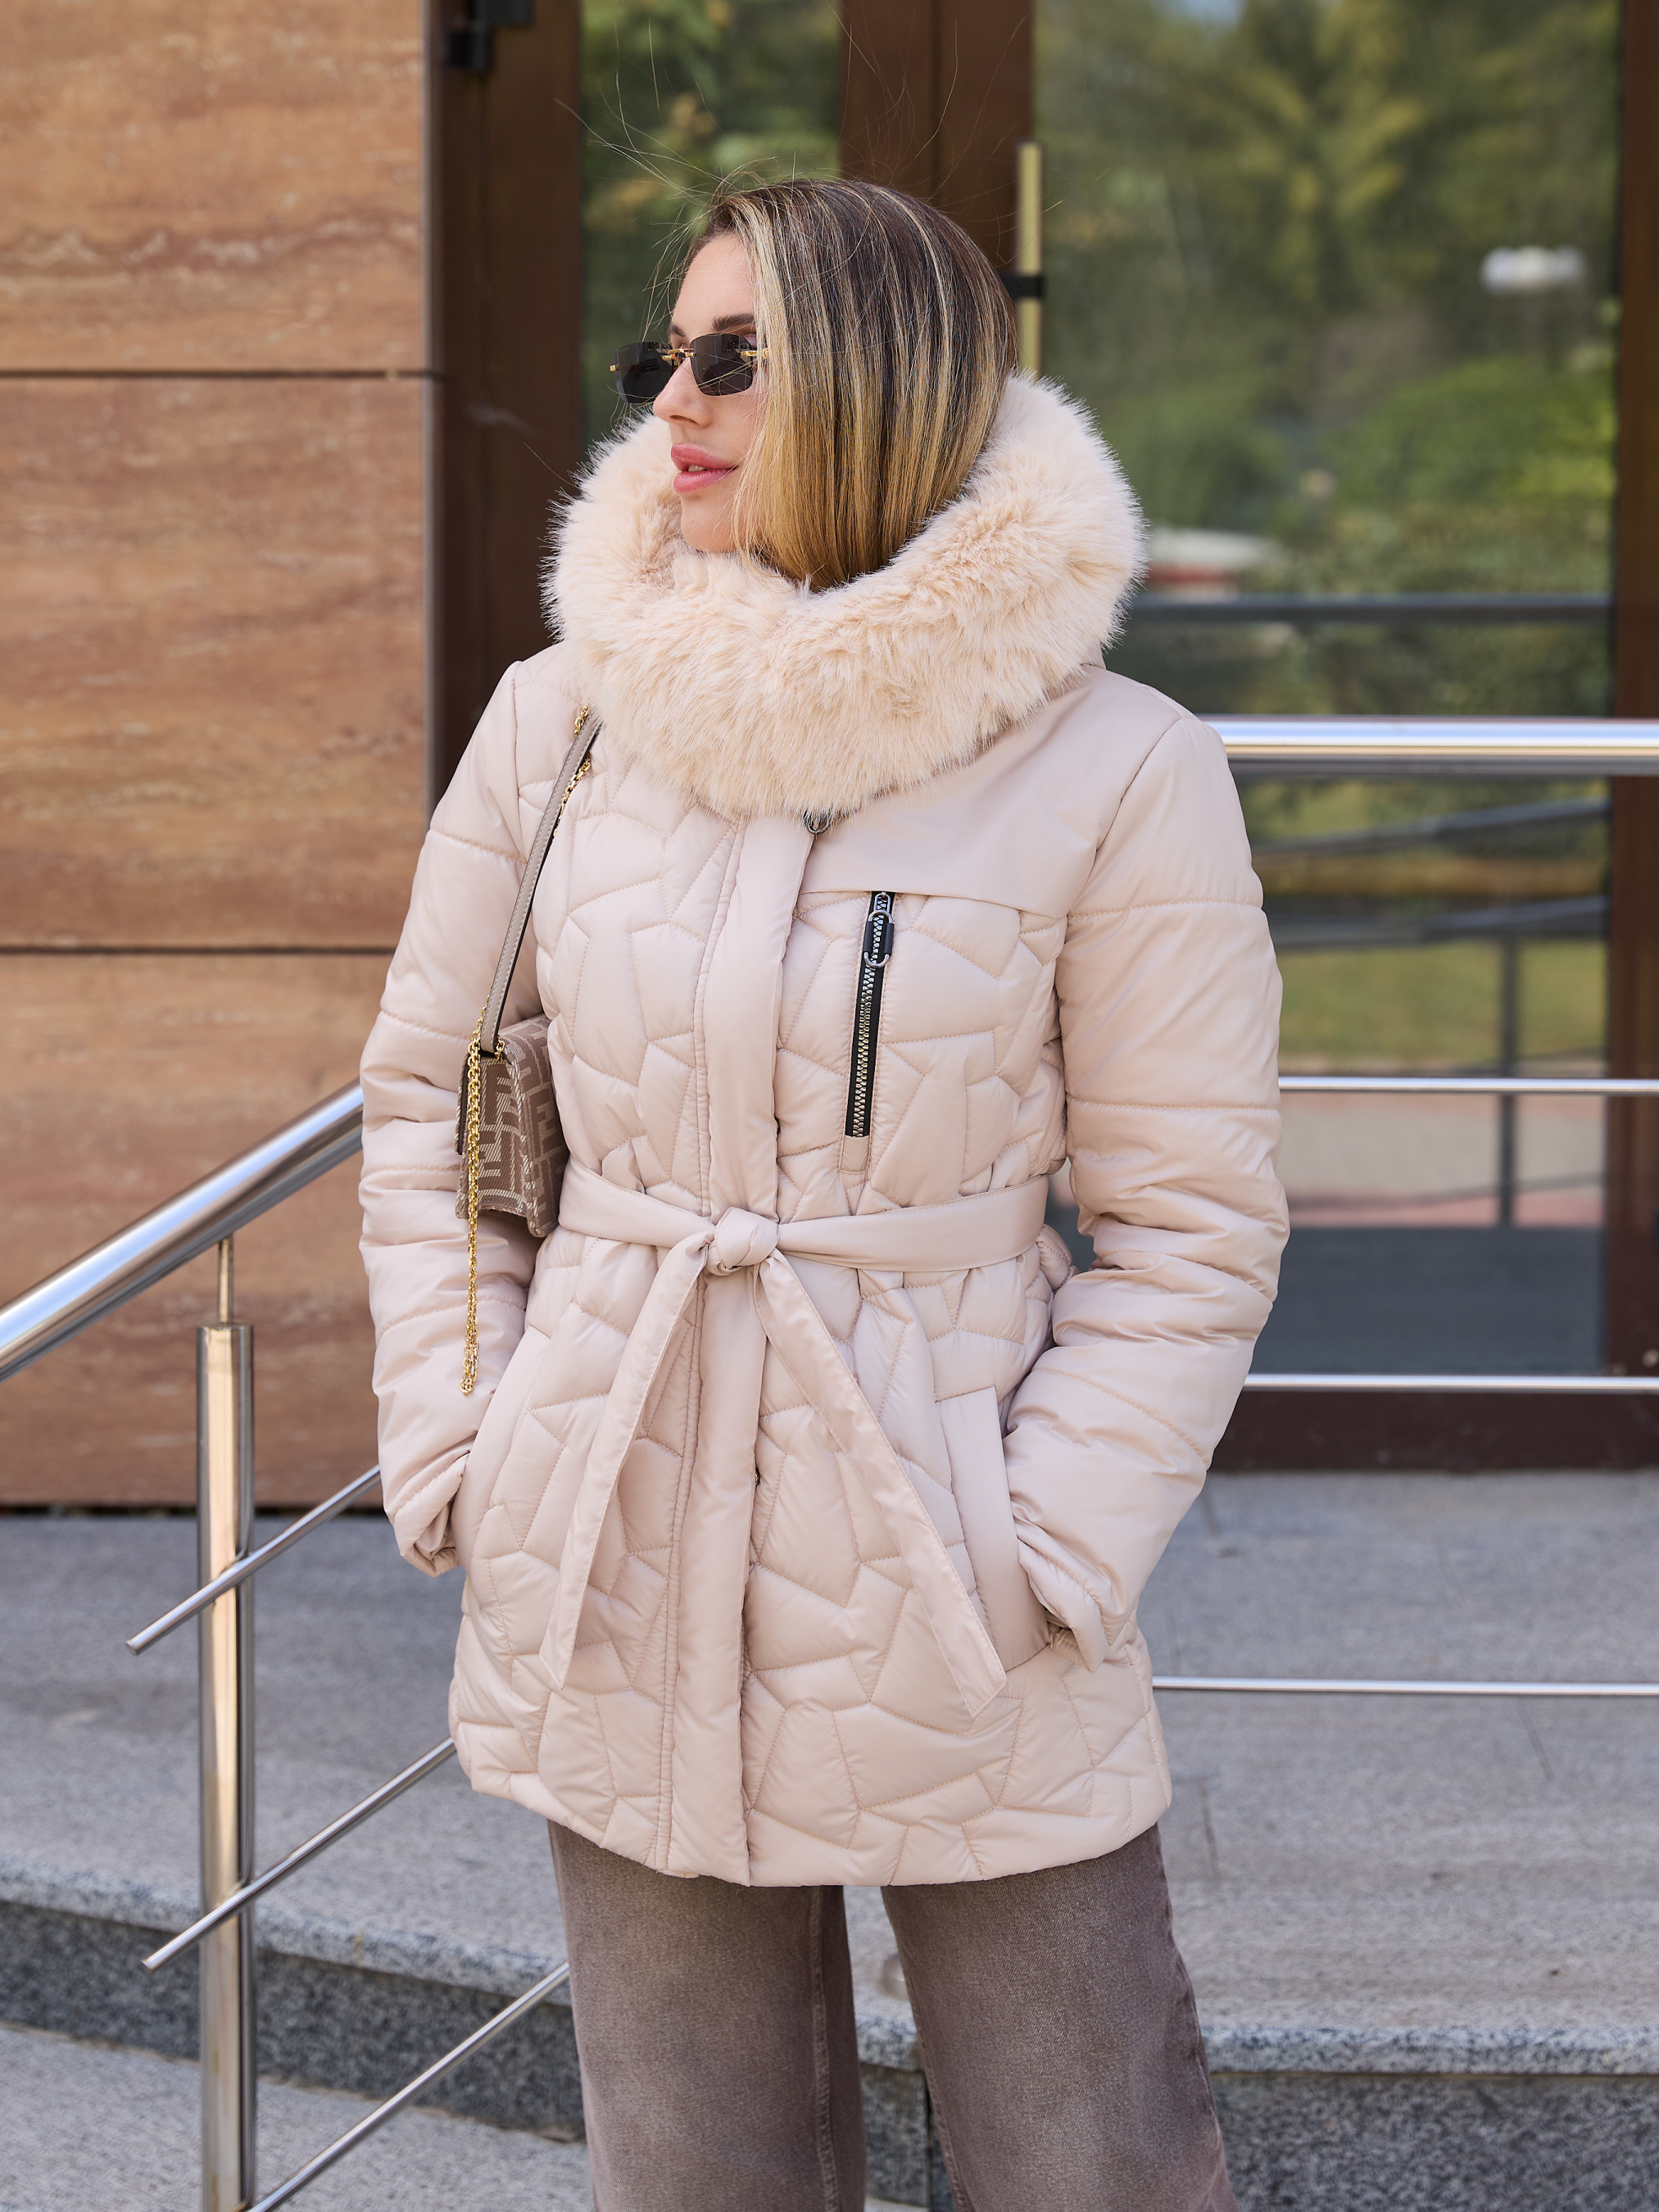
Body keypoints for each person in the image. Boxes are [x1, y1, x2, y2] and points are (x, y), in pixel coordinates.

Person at [360, 178, 1286, 2212]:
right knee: (697, 2171)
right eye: (661, 356)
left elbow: (1190, 1224)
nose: (668, 404)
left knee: (1092, 2158)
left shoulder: (1115, 764)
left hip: (955, 1565)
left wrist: (1041, 1543)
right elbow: (436, 1112)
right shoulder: (559, 724)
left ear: (880, 382)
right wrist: (467, 1441)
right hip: (615, 1520)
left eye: (731, 358)